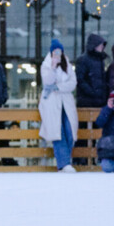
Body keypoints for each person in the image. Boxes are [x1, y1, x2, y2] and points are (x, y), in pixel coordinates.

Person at [39, 39, 78, 172]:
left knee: (69, 130)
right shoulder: (46, 65)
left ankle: (66, 161)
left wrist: (57, 87)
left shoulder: (67, 64)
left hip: (66, 102)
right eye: (55, 52)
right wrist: (53, 67)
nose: (57, 54)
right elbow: (47, 81)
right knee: (57, 132)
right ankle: (64, 163)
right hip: (51, 102)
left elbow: (72, 83)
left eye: (59, 51)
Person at [75, 33, 109, 108]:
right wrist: (92, 92)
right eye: (100, 45)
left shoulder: (100, 60)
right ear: (94, 45)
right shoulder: (83, 60)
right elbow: (80, 80)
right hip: (86, 100)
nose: (102, 47)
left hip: (99, 100)